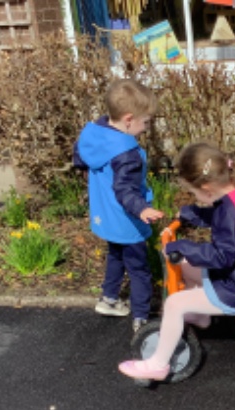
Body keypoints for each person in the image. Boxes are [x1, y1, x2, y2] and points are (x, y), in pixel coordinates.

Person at [119, 142, 235, 381]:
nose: (195, 197)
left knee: (174, 304)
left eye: (194, 193)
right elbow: (224, 218)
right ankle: (200, 316)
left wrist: (182, 247)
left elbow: (221, 255)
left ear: (206, 189)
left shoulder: (229, 211)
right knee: (185, 268)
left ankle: (158, 365)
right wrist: (192, 213)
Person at [73, 78, 165, 332]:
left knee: (116, 255)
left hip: (105, 215)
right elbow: (125, 189)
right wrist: (142, 209)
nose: (146, 128)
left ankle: (109, 299)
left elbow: (79, 155)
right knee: (139, 269)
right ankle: (142, 318)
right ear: (128, 119)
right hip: (126, 220)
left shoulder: (95, 133)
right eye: (145, 122)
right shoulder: (127, 153)